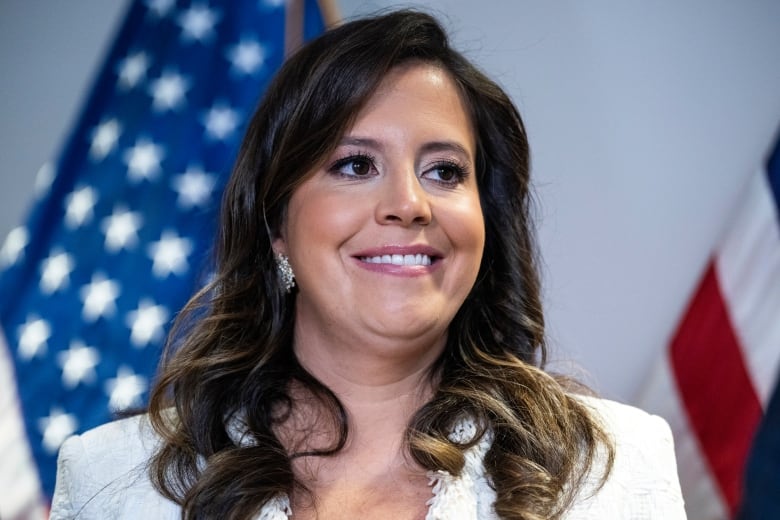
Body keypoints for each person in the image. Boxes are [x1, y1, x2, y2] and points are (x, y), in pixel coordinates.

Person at [50, 9, 686, 519]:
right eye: (355, 165)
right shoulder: (112, 480)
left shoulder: (617, 467)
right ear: (277, 225)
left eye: (444, 171)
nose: (409, 205)